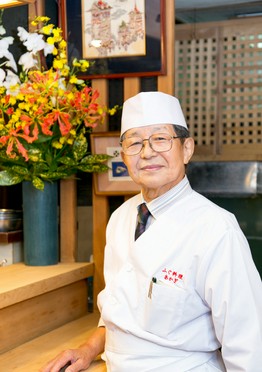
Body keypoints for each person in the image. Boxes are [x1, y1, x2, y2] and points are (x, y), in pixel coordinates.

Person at [41, 92, 262, 372]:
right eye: (134, 143)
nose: (146, 152)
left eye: (160, 139)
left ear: (187, 149)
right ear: (123, 156)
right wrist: (87, 350)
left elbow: (248, 344)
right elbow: (120, 313)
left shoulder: (217, 229)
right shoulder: (120, 219)